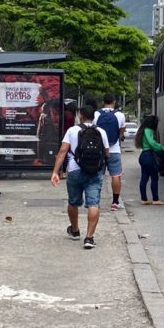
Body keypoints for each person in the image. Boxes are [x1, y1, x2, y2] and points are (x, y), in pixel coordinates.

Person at [50, 105, 109, 250]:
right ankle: (89, 238)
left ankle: (75, 230)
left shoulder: (72, 130)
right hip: (95, 172)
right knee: (93, 204)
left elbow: (63, 151)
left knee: (73, 202)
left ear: (80, 115)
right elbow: (107, 154)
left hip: (75, 171)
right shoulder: (101, 132)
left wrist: (55, 172)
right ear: (93, 117)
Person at [93, 93, 126, 211]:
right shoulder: (120, 115)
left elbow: (93, 130)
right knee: (116, 176)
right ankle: (115, 202)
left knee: (97, 176)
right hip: (114, 150)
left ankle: (95, 202)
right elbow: (122, 131)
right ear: (114, 102)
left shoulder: (96, 114)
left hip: (99, 150)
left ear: (103, 102)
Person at [135, 115, 164, 205]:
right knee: (154, 177)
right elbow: (152, 143)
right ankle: (155, 199)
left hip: (143, 155)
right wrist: (162, 147)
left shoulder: (142, 130)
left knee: (144, 178)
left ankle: (144, 199)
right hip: (149, 155)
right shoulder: (148, 130)